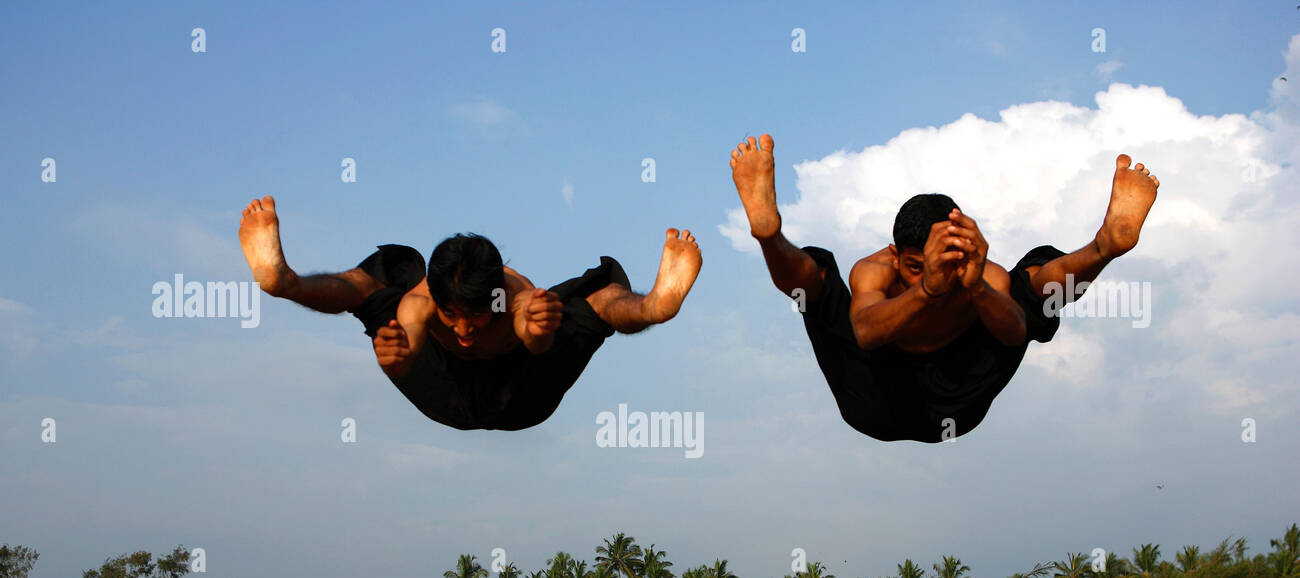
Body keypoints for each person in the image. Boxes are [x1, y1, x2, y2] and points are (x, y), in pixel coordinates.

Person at [729, 134, 1159, 442]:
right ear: (896, 255)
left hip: (958, 405)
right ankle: (770, 235)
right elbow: (863, 332)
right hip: (876, 400)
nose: (925, 274)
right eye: (913, 266)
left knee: (1026, 287)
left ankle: (1103, 247)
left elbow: (1015, 334)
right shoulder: (875, 270)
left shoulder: (982, 273)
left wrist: (976, 290)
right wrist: (927, 291)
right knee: (820, 286)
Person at [238, 197, 701, 430]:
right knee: (381, 282)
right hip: (445, 394)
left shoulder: (515, 294)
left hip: (523, 394)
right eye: (452, 316)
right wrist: (397, 359)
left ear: (494, 295)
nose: (462, 331)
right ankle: (286, 282)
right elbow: (412, 345)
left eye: (475, 319)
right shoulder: (419, 303)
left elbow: (535, 341)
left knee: (586, 300)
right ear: (437, 301)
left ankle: (654, 305)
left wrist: (539, 329)